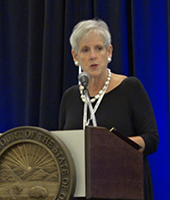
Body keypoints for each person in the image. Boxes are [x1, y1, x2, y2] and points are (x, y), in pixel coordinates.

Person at [58, 18, 159, 200]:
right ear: (75, 56)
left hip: (123, 187)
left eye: (99, 48)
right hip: (81, 192)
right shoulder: (70, 97)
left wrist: (111, 149)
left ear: (109, 51)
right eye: (85, 50)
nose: (93, 56)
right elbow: (62, 147)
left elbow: (151, 139)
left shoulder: (130, 88)